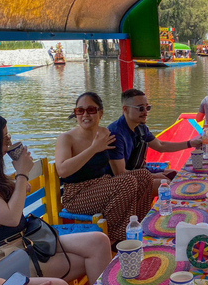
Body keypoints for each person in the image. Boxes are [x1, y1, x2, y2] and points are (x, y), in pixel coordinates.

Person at [0, 115, 111, 284]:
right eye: (5, 138)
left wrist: (19, 179)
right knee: (88, 262)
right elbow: (12, 218)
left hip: (29, 239)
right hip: (9, 256)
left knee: (99, 242)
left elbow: (22, 189)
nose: (9, 143)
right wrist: (22, 173)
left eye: (9, 136)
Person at [55, 92, 155, 242]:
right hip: (76, 196)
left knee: (144, 176)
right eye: (80, 111)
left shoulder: (105, 133)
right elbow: (62, 170)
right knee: (127, 182)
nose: (85, 115)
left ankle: (137, 225)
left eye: (91, 110)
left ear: (100, 113)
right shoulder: (66, 138)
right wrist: (94, 148)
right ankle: (115, 236)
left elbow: (118, 165)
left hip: (101, 186)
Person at [108, 88, 202, 178]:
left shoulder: (140, 127)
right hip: (119, 183)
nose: (145, 112)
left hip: (137, 171)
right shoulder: (115, 134)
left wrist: (191, 143)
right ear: (125, 109)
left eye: (147, 108)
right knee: (166, 184)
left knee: (174, 174)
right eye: (140, 108)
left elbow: (160, 146)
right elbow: (120, 173)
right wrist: (154, 176)